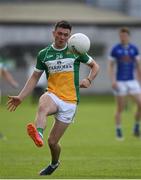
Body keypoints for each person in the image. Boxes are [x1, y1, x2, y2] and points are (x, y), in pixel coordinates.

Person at [7, 20, 99, 175]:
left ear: (69, 36)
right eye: (59, 33)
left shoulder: (75, 50)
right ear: (53, 33)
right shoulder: (44, 54)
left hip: (70, 102)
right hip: (53, 95)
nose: (62, 37)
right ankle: (39, 134)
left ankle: (54, 163)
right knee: (43, 102)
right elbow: (35, 77)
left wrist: (89, 80)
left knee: (53, 142)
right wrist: (21, 97)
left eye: (66, 35)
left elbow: (95, 66)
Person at [108, 27, 141, 140]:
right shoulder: (115, 49)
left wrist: (139, 79)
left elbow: (138, 65)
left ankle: (136, 126)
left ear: (128, 36)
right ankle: (118, 129)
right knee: (120, 108)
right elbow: (111, 67)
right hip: (120, 81)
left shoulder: (134, 49)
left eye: (125, 36)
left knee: (140, 103)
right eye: (121, 36)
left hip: (132, 81)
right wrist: (113, 81)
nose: (123, 38)